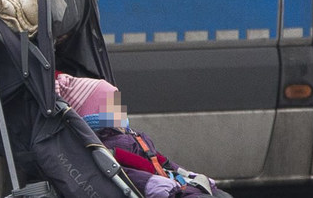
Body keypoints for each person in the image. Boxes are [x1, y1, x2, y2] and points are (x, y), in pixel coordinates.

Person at [55, 74, 229, 198]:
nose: (120, 109)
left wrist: (185, 174)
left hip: (171, 181)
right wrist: (151, 182)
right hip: (162, 188)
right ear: (95, 112)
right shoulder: (108, 145)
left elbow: (159, 160)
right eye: (112, 104)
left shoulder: (131, 135)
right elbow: (126, 172)